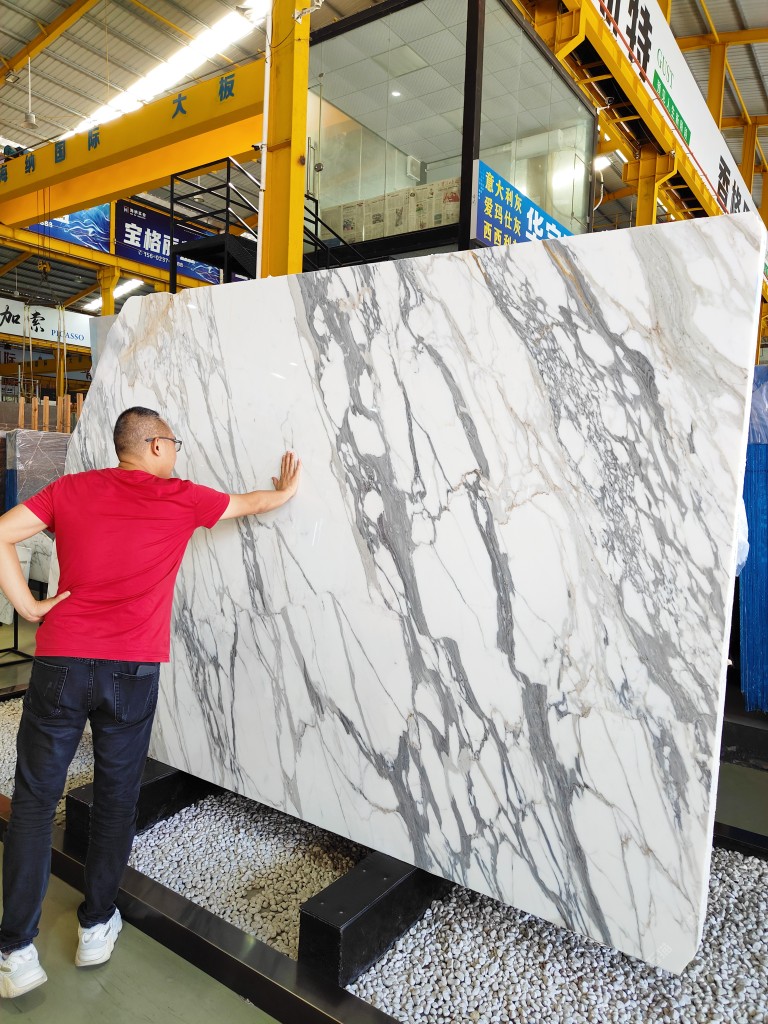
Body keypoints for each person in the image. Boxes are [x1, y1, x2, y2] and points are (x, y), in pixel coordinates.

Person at [0, 406, 300, 998]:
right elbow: (250, 504)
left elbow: (1, 532)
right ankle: (95, 928)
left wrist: (28, 607)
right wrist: (286, 492)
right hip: (132, 671)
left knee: (34, 802)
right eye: (175, 443)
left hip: (61, 663)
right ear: (156, 446)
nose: (178, 453)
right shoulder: (180, 497)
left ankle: (14, 952)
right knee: (116, 800)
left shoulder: (71, 489)